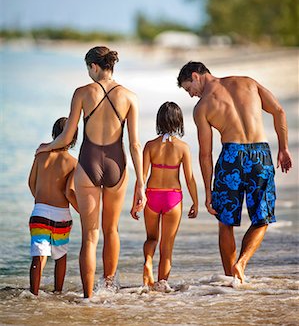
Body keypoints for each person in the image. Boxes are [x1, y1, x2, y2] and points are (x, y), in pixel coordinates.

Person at [36, 46, 146, 298]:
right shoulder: (130, 97)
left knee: (90, 235)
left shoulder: (82, 93)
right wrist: (141, 183)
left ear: (94, 66)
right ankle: (108, 289)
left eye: (88, 68)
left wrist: (46, 147)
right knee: (111, 230)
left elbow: (66, 137)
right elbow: (135, 144)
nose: (87, 73)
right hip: (117, 164)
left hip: (88, 163)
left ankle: (88, 297)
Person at [177, 62, 292, 283]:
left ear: (196, 75)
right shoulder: (248, 83)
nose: (191, 95)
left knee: (225, 222)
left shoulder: (202, 107)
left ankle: (231, 278)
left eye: (188, 88)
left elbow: (205, 154)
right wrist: (283, 148)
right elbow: (279, 110)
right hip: (261, 155)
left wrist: (208, 194)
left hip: (231, 157)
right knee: (262, 217)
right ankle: (242, 263)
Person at [134, 101, 198, 292]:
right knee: (167, 246)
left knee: (151, 238)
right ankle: (162, 285)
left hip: (151, 196)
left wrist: (136, 201)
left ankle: (147, 262)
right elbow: (189, 179)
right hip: (173, 198)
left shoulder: (150, 146)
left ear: (159, 121)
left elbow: (142, 177)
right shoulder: (183, 148)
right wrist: (195, 201)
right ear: (178, 121)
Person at [28, 117, 78, 296]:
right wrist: (83, 211)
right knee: (60, 256)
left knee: (38, 256)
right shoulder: (73, 162)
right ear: (73, 138)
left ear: (54, 133)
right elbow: (69, 192)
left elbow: (31, 182)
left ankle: (33, 294)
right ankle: (58, 293)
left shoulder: (41, 154)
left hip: (39, 212)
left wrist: (41, 201)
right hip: (62, 215)